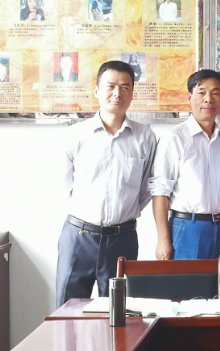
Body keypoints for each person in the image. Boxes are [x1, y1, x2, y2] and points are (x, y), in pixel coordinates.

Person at [55, 60, 157, 305]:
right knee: (67, 310)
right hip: (78, 236)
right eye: (110, 86)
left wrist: (122, 214)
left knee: (118, 312)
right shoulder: (75, 135)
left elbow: (147, 188)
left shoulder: (145, 136)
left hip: (123, 238)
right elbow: (64, 185)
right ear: (97, 90)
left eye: (125, 87)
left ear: (132, 93)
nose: (117, 93)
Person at [149, 70, 220, 286]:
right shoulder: (174, 138)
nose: (208, 99)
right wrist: (163, 239)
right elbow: (160, 192)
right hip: (187, 228)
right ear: (190, 98)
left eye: (215, 93)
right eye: (201, 92)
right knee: (185, 295)